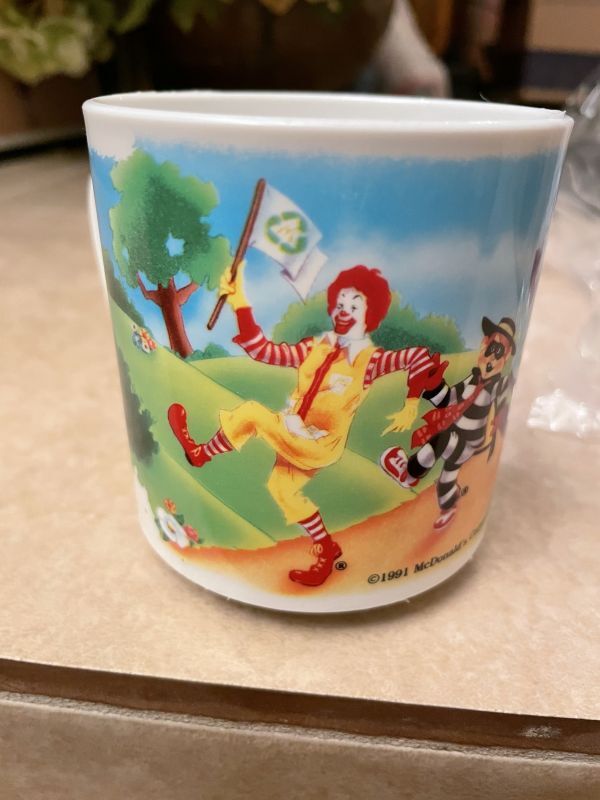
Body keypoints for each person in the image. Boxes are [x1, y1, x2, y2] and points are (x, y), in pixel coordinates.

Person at [168, 263, 438, 587]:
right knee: (282, 489)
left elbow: (419, 357)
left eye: (355, 306)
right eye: (340, 303)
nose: (344, 311)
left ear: (371, 315)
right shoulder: (315, 347)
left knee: (252, 414)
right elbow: (263, 351)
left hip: (320, 444)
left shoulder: (371, 361)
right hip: (292, 430)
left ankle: (201, 454)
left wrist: (411, 404)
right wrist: (239, 301)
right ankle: (326, 549)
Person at [381, 316, 516, 531]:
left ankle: (410, 474)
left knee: (442, 440)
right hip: (456, 433)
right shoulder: (472, 380)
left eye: (499, 351)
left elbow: (505, 391)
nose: (491, 356)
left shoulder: (494, 386)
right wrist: (433, 384)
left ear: (506, 357)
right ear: (483, 345)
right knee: (446, 480)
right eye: (490, 346)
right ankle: (449, 506)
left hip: (467, 443)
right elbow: (448, 399)